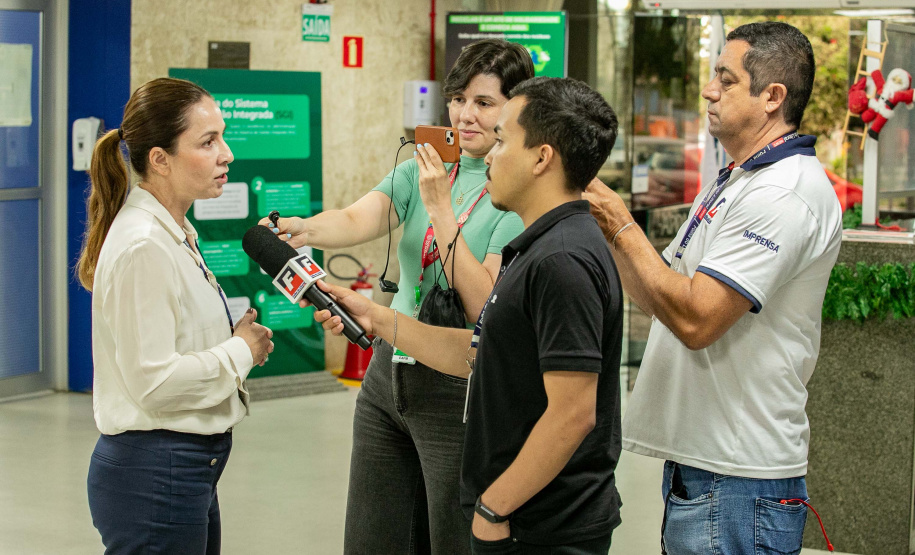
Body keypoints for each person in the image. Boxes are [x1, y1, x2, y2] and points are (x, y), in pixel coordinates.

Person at [310, 76, 623, 555]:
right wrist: (374, 317)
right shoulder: (537, 248)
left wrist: (494, 507)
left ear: (541, 158)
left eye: (502, 141)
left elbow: (573, 414)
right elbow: (479, 352)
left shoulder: (562, 260)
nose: (489, 156)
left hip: (542, 525)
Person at [261, 39, 533, 553]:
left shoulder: (514, 193)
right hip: (388, 375)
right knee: (371, 538)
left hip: (458, 384)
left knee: (451, 540)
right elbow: (356, 218)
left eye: (483, 102)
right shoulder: (421, 169)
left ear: (515, 110)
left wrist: (441, 210)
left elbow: (484, 304)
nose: (465, 115)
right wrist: (304, 228)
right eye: (458, 99)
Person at [584, 21, 842, 554]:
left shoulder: (783, 193)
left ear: (772, 97)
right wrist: (606, 229)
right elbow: (662, 296)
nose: (708, 91)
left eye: (726, 80)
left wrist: (623, 225)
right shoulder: (738, 179)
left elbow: (697, 319)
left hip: (739, 476)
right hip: (705, 467)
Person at [77, 77, 274, 554]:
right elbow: (155, 382)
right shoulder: (144, 245)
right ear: (160, 159)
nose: (226, 154)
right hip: (154, 474)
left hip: (186, 469)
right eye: (208, 142)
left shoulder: (174, 230)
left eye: (223, 137)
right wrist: (239, 351)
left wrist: (230, 339)